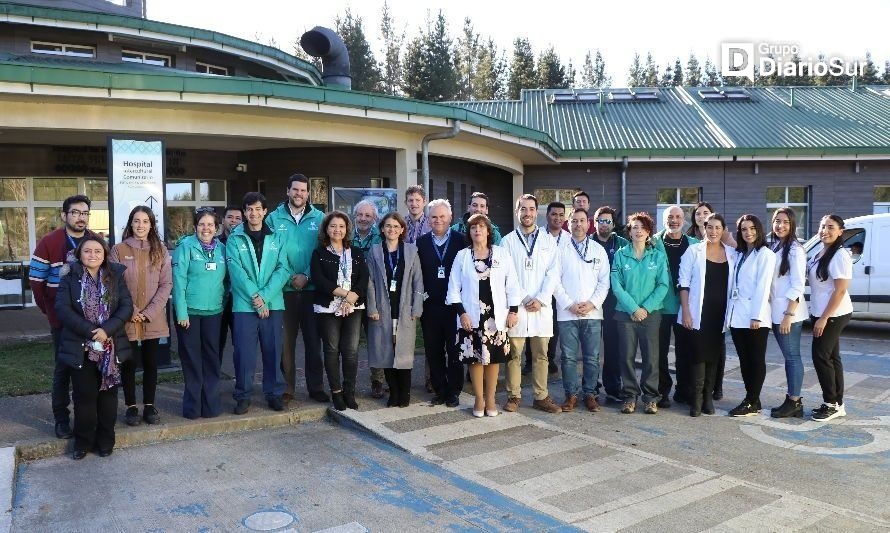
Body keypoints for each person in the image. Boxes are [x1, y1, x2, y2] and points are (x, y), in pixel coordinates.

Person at [55, 237, 133, 459]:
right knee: (85, 396)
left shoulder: (115, 275)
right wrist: (91, 331)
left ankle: (106, 441)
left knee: (108, 395)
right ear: (79, 254)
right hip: (81, 345)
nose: (93, 255)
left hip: (110, 345)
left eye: (98, 251)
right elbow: (62, 309)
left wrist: (106, 330)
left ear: (104, 254)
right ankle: (83, 442)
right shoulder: (69, 276)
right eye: (87, 251)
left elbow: (126, 306)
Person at [29, 194, 97, 440]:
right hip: (62, 322)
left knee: (90, 369)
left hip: (91, 322)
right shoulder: (49, 242)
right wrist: (51, 312)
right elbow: (36, 282)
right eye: (76, 212)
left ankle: (88, 418)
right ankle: (61, 419)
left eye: (85, 213)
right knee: (63, 370)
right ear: (64, 215)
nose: (81, 217)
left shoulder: (96, 241)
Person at [447, 214, 521, 417]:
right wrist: (462, 314)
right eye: (473, 228)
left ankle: (491, 398)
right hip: (470, 316)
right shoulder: (462, 256)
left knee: (493, 358)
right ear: (469, 232)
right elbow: (453, 289)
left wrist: (513, 311)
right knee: (475, 359)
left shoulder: (502, 254)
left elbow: (512, 285)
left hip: (495, 316)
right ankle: (479, 399)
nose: (477, 230)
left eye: (481, 227)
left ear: (488, 231)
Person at [267, 174, 328, 405]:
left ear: (308, 194)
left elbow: (324, 253)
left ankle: (316, 388)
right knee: (285, 344)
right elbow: (270, 252)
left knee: (314, 342)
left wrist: (307, 276)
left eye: (303, 190)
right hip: (284, 291)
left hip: (312, 290)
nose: (299, 194)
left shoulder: (320, 218)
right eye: (295, 190)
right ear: (288, 191)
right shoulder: (273, 218)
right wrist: (289, 277)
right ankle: (287, 389)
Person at [226, 192, 290, 415]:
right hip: (245, 305)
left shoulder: (276, 238)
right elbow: (236, 271)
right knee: (244, 354)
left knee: (273, 351)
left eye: (257, 209)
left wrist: (265, 297)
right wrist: (256, 297)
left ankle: (273, 393)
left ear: (265, 212)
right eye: (249, 209)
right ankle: (243, 395)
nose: (253, 213)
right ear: (244, 212)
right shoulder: (235, 238)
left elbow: (283, 269)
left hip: (273, 304)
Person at [109, 206, 172, 427]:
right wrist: (132, 310)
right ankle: (130, 406)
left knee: (151, 363)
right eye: (136, 221)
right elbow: (114, 283)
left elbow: (166, 285)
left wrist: (148, 312)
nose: (141, 225)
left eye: (145, 221)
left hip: (152, 318)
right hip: (126, 316)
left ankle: (149, 405)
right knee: (128, 363)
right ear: (130, 223)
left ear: (152, 225)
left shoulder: (160, 250)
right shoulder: (118, 249)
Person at [500, 194, 561, 414]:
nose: (527, 213)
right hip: (518, 306)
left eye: (531, 209)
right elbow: (508, 275)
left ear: (537, 212)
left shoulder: (548, 241)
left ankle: (540, 396)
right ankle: (514, 395)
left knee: (541, 354)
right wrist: (525, 298)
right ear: (517, 212)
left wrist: (542, 298)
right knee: (513, 354)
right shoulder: (507, 241)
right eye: (523, 209)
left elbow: (554, 273)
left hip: (541, 308)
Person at [610, 212, 670, 415]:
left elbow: (663, 285)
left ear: (649, 232)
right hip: (625, 314)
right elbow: (616, 286)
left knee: (651, 358)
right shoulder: (620, 254)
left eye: (642, 227)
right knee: (626, 357)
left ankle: (650, 398)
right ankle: (629, 396)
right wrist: (633, 309)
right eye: (634, 227)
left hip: (651, 315)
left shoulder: (658, 256)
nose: (638, 230)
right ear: (629, 230)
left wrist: (645, 308)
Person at [172, 208, 228, 419]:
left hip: (214, 312)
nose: (206, 228)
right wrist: (182, 313)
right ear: (195, 227)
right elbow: (178, 282)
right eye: (202, 224)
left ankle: (211, 406)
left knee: (212, 360)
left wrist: (221, 303)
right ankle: (193, 408)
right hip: (190, 314)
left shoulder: (222, 249)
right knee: (192, 360)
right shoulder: (185, 247)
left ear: (216, 228)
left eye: (210, 225)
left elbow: (226, 281)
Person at [311, 211, 369, 411]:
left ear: (347, 229)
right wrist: (346, 294)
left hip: (353, 306)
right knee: (332, 350)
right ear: (326, 229)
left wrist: (353, 297)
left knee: (351, 351)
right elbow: (319, 280)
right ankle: (336, 392)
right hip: (328, 307)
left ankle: (349, 392)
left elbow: (363, 278)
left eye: (341, 226)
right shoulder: (319, 253)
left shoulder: (357, 252)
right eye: (333, 226)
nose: (337, 230)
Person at [679, 213, 736, 417]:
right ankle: (696, 399)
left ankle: (708, 398)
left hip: (720, 314)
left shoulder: (732, 253)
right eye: (709, 227)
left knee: (713, 356)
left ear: (723, 230)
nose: (713, 231)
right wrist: (686, 311)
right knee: (698, 356)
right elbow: (683, 283)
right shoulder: (693, 251)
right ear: (704, 228)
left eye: (717, 228)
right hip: (697, 313)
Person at [554, 208, 610, 412]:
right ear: (568, 225)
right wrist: (570, 304)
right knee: (568, 357)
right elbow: (554, 282)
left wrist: (592, 303)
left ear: (588, 224)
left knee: (592, 357)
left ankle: (590, 394)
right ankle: (571, 395)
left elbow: (604, 283)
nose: (578, 225)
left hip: (592, 314)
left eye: (582, 221)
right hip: (567, 313)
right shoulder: (559, 250)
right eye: (574, 221)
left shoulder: (598, 250)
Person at [366, 213, 424, 407]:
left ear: (401, 230)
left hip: (405, 309)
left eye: (396, 226)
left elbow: (418, 282)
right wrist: (372, 307)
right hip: (382, 309)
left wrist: (417, 307)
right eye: (388, 226)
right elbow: (370, 283)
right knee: (386, 352)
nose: (392, 229)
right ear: (382, 229)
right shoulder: (374, 252)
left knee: (404, 353)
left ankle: (404, 393)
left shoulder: (411, 250)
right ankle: (393, 393)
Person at [416, 199, 465, 408]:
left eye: (442, 216)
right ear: (428, 219)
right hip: (431, 306)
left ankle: (454, 391)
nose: (438, 220)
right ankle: (439, 390)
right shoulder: (421, 243)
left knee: (454, 351)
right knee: (433, 351)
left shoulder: (461, 241)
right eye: (434, 217)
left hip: (454, 307)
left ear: (450, 218)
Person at [726, 215, 776, 417]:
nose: (748, 232)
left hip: (755, 316)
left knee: (755, 359)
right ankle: (752, 398)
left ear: (759, 230)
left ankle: (751, 401)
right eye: (744, 229)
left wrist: (756, 316)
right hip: (738, 315)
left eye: (752, 228)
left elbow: (763, 288)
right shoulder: (739, 254)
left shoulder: (765, 254)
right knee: (744, 360)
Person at [651, 206, 699, 408]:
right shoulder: (652, 242)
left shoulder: (695, 245)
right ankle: (662, 391)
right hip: (659, 306)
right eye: (670, 217)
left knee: (685, 350)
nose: (674, 220)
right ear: (664, 220)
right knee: (659, 352)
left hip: (684, 307)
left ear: (684, 220)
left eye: (678, 216)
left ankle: (684, 390)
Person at [808, 214, 854, 422]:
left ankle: (831, 403)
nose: (825, 231)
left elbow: (840, 291)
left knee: (821, 356)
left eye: (830, 227)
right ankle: (837, 403)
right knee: (832, 358)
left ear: (840, 232)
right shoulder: (821, 252)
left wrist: (824, 318)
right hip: (821, 311)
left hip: (834, 313)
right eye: (822, 226)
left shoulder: (840, 255)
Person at [767, 207, 809, 418]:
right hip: (776, 312)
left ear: (792, 225)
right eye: (777, 221)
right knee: (788, 357)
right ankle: (791, 398)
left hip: (788, 314)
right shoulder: (775, 245)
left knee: (792, 357)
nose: (780, 225)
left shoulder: (794, 249)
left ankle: (795, 402)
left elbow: (798, 284)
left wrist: (788, 315)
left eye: (785, 222)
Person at [590, 205, 629, 403]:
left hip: (615, 304)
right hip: (593, 304)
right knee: (592, 349)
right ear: (594, 222)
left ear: (613, 224)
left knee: (614, 348)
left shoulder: (622, 244)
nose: (603, 224)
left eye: (607, 221)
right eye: (600, 221)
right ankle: (591, 387)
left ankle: (613, 387)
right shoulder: (587, 243)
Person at [351, 200, 386, 398]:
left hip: (374, 296)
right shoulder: (346, 235)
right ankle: (350, 381)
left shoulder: (379, 238)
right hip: (352, 296)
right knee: (351, 342)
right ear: (354, 216)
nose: (363, 219)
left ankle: (377, 380)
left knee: (376, 340)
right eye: (360, 215)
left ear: (374, 218)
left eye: (368, 216)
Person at [543, 201, 570, 374]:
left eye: (561, 215)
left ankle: (550, 358)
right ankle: (532, 361)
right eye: (554, 214)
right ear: (547, 216)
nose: (557, 218)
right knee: (537, 326)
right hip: (542, 288)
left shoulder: (568, 238)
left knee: (554, 327)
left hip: (560, 289)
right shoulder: (538, 236)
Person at [218, 205, 242, 361]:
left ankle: (242, 382)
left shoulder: (244, 243)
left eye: (238, 218)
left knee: (240, 344)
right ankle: (212, 382)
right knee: (216, 343)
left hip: (239, 299)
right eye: (230, 217)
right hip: (219, 299)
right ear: (222, 220)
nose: (233, 221)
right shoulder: (214, 244)